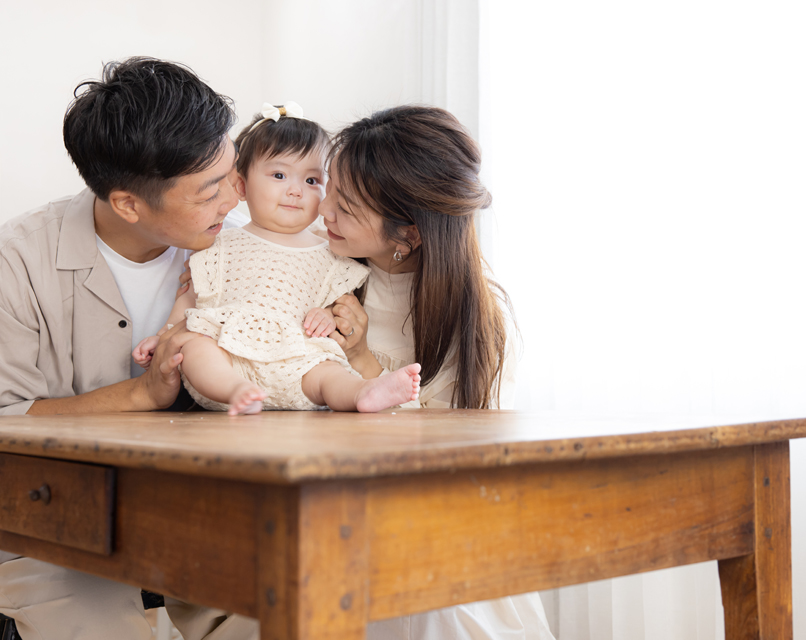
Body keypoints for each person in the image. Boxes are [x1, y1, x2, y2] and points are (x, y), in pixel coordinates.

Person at [0, 57, 257, 639]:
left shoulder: (240, 252)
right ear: (128, 204)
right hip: (51, 520)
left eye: (232, 173)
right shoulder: (17, 261)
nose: (234, 200)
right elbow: (6, 419)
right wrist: (141, 395)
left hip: (203, 510)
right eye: (211, 190)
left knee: (277, 611)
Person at [321, 106, 553, 639]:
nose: (323, 210)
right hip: (323, 507)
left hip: (429, 516)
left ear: (408, 234)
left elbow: (453, 454)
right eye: (327, 187)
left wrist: (362, 361)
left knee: (436, 609)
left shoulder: (477, 318)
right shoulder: (321, 275)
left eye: (345, 206)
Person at [133, 103, 421, 416]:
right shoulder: (219, 243)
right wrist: (163, 336)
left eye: (311, 181)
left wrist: (326, 316)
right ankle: (238, 390)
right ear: (241, 185)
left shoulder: (331, 253)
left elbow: (339, 306)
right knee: (195, 344)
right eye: (280, 175)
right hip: (228, 354)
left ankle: (362, 392)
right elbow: (190, 299)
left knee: (328, 369)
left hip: (298, 361)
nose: (296, 191)